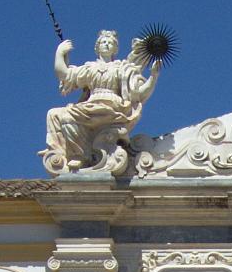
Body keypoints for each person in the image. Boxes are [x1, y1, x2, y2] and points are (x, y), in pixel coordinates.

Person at [41, 30, 159, 175]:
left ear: (115, 48)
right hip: (90, 105)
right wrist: (60, 53)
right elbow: (64, 74)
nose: (107, 44)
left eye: (111, 43)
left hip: (112, 107)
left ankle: (82, 156)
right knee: (62, 116)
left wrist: (153, 76)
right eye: (104, 42)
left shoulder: (121, 68)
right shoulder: (90, 68)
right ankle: (80, 155)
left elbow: (139, 93)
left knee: (68, 116)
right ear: (97, 47)